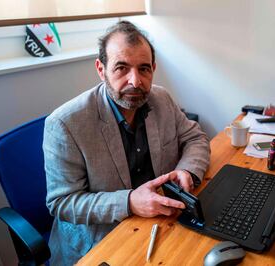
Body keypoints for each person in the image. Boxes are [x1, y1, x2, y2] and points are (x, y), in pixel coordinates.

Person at [43, 21, 210, 265]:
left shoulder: (161, 98)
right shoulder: (65, 124)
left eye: (144, 69)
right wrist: (129, 202)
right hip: (101, 240)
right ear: (101, 69)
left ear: (153, 68)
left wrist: (187, 170)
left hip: (161, 222)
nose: (135, 81)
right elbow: (62, 202)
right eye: (121, 68)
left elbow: (194, 137)